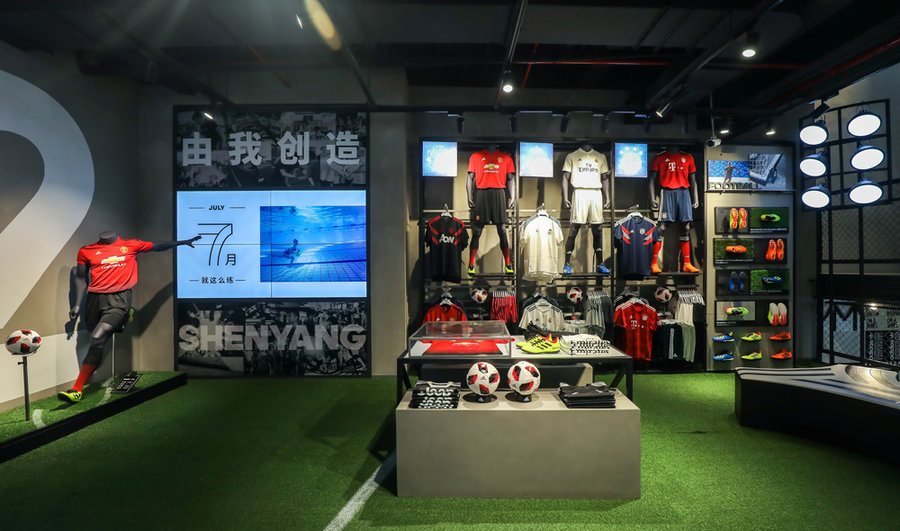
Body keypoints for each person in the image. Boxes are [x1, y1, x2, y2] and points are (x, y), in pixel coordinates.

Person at [59, 230, 200, 403]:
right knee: (94, 336)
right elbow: (81, 278)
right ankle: (124, 320)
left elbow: (157, 246)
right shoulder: (86, 250)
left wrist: (182, 242)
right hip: (94, 300)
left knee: (97, 338)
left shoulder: (130, 245)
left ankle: (77, 389)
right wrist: (77, 304)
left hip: (119, 299)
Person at [648, 147, 701, 273]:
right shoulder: (659, 157)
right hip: (667, 192)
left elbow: (693, 179)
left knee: (686, 227)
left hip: (684, 193)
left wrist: (695, 198)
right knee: (662, 227)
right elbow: (651, 179)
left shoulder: (688, 157)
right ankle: (653, 263)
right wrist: (652, 198)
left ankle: (687, 263)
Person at [466, 144, 517, 275]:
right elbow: (470, 178)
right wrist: (469, 196)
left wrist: (513, 197)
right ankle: (471, 264)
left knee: (502, 230)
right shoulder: (476, 157)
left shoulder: (506, 158)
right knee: (477, 231)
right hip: (481, 193)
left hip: (499, 193)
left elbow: (511, 178)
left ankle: (508, 263)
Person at [561, 144, 611, 274]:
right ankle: (567, 264)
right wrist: (565, 197)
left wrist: (607, 197)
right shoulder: (572, 156)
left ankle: (600, 263)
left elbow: (605, 178)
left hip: (596, 192)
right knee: (574, 227)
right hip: (579, 192)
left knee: (598, 228)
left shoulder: (600, 156)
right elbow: (565, 177)